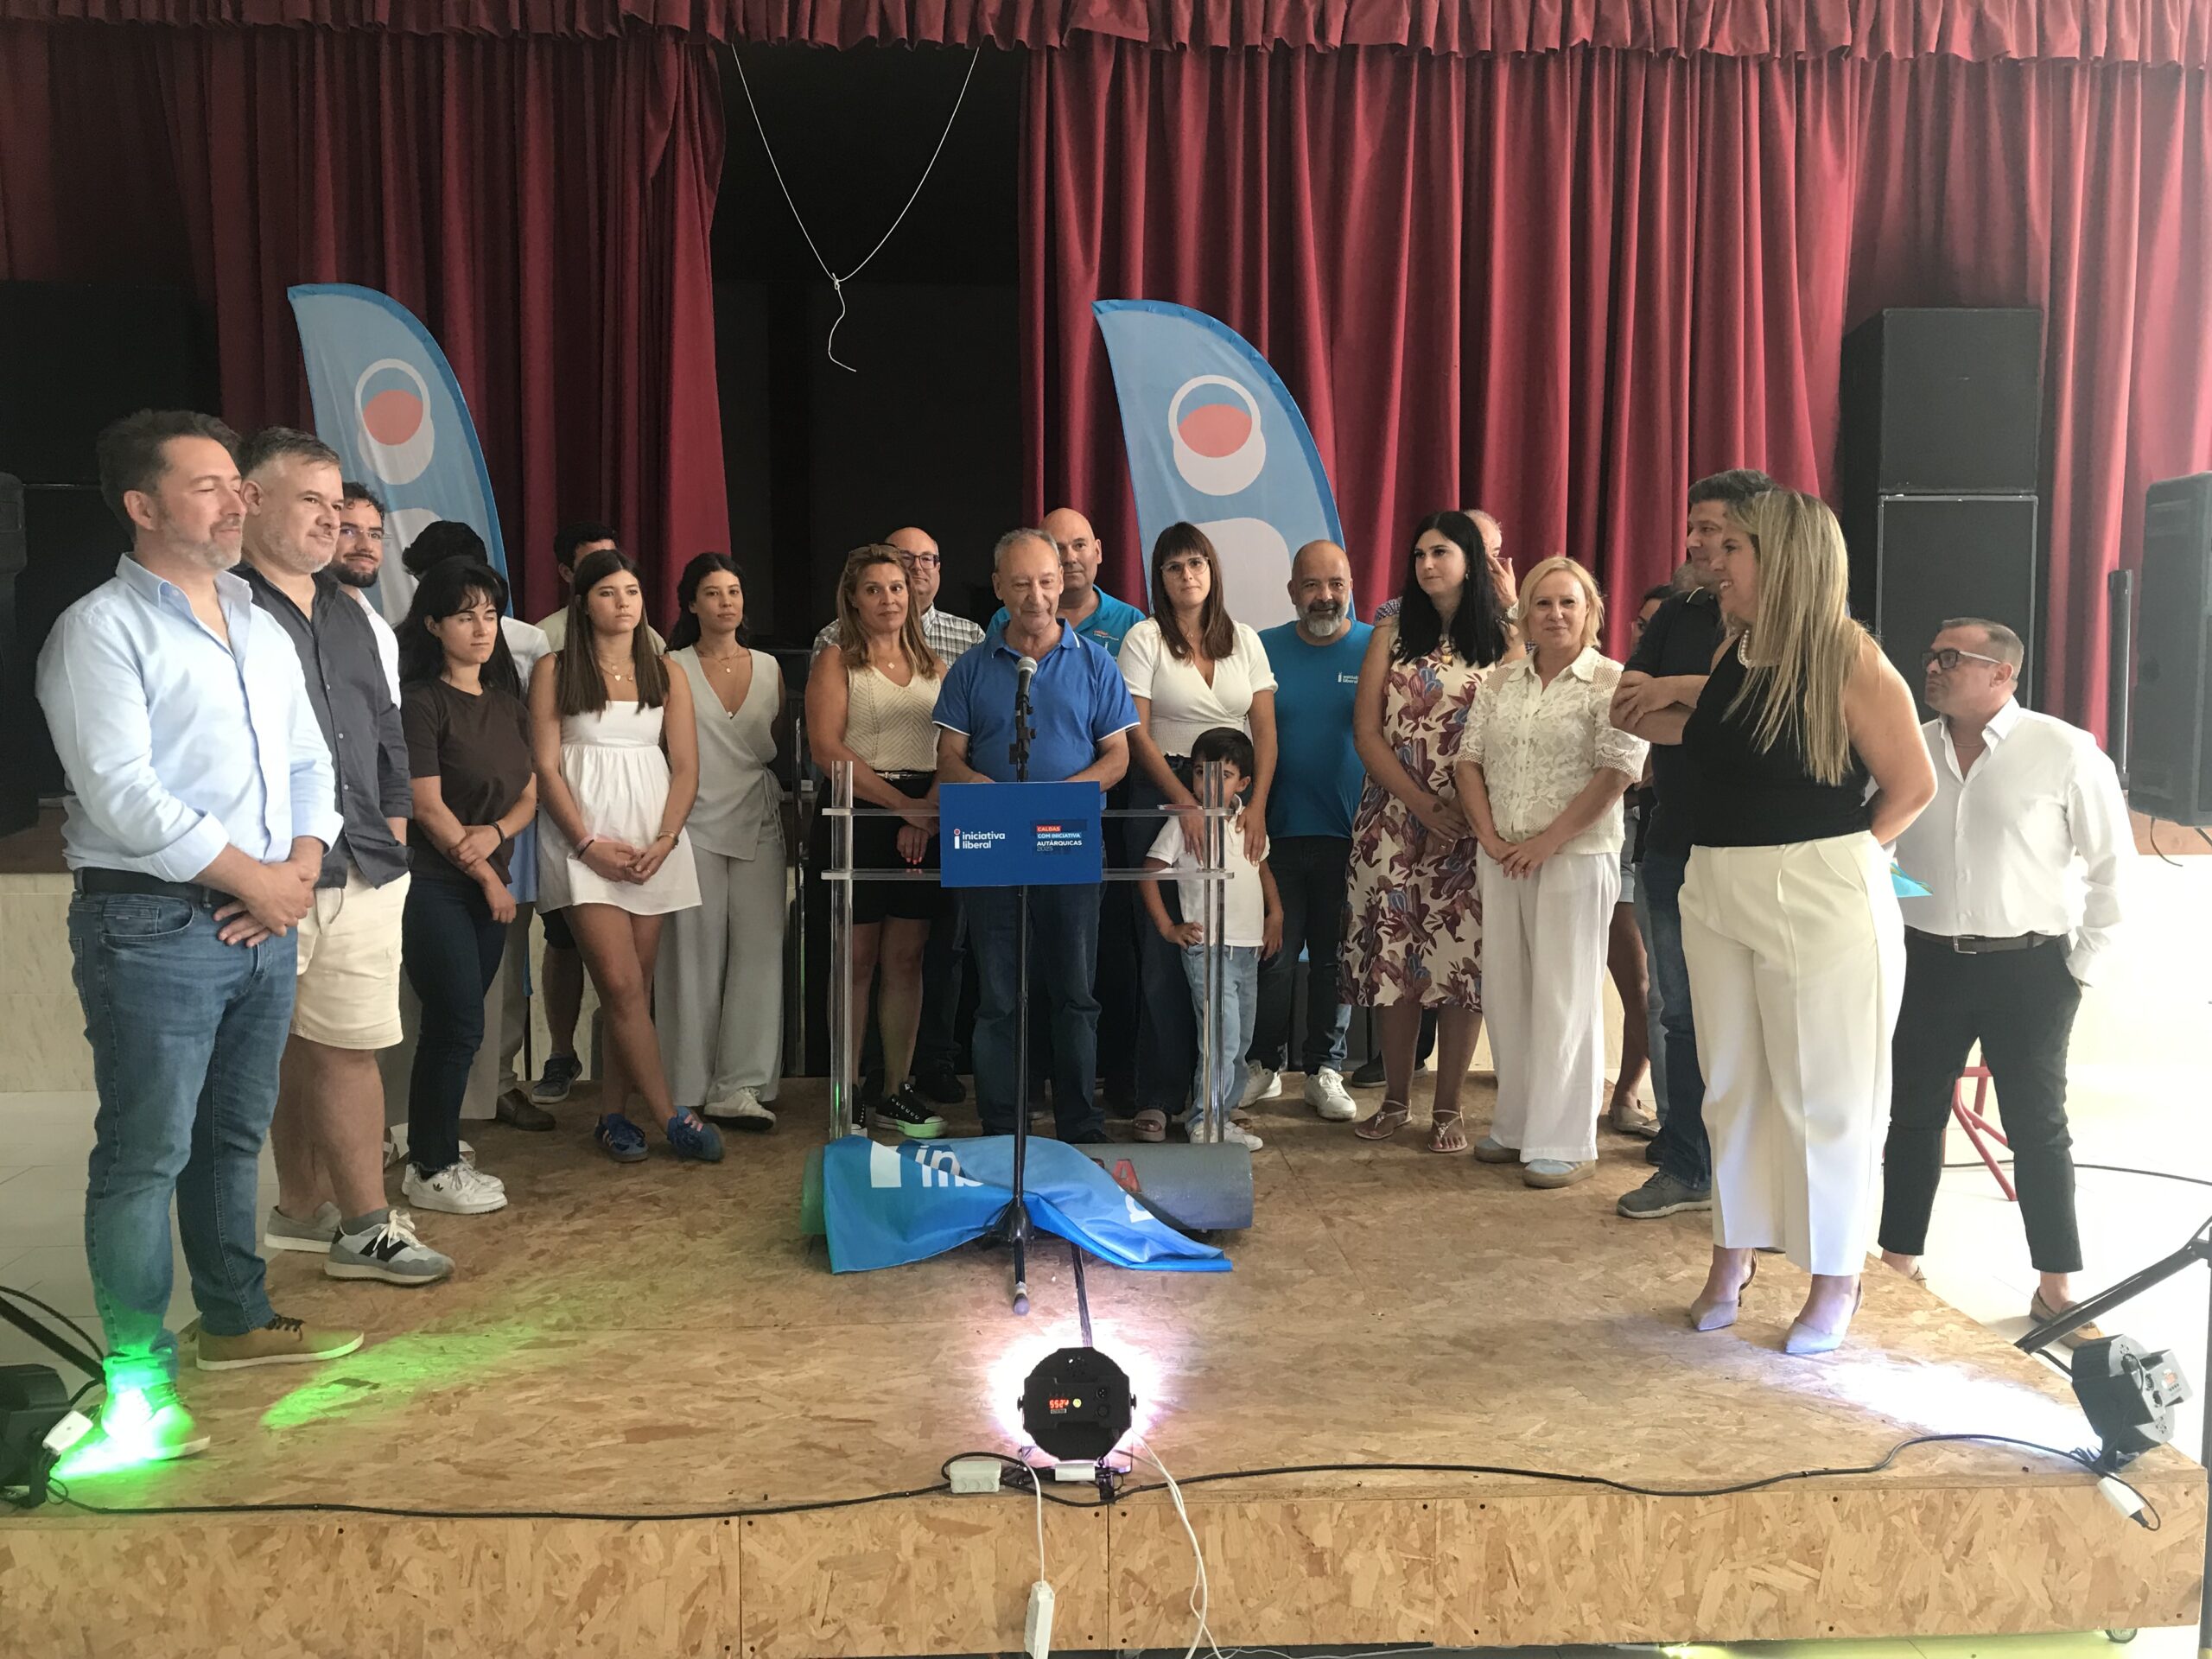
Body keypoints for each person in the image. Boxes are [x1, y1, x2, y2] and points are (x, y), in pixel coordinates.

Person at [37, 410, 363, 1459]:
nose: (239, 501)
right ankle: (138, 1379)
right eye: (211, 485)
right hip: (153, 921)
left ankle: (235, 1319)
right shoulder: (98, 631)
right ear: (144, 506)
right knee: (147, 1152)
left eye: (239, 482)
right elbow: (122, 793)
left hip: (263, 915)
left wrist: (297, 868)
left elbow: (310, 762)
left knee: (230, 1138)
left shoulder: (258, 624)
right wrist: (254, 880)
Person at [1665, 488, 1934, 1355]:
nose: (1716, 563)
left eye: (1734, 549)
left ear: (1782, 561)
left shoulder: (1850, 656)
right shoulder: (1735, 648)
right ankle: (1733, 1250)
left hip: (1815, 886)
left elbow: (1912, 785)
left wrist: (1835, 860)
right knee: (1731, 1085)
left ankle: (1835, 1275)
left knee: (1826, 1092)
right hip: (1716, 882)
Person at [235, 428, 449, 1289]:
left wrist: (393, 828)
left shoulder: (353, 610)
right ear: (251, 500)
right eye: (311, 502)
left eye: (337, 504)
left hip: (365, 862)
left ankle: (364, 1227)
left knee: (347, 1045)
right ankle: (291, 1213)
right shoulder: (220, 606)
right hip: (265, 874)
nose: (331, 521)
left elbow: (385, 729)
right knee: (266, 1054)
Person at [1877, 619, 2131, 1344]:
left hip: (2030, 968)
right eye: (1931, 655)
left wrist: (2077, 971)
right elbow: (1874, 847)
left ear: (2002, 674)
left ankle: (2056, 1287)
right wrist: (1906, 905)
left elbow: (2111, 868)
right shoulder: (1907, 746)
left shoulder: (2064, 751)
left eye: (1951, 657)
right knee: (1912, 1118)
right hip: (1927, 963)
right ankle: (1898, 1266)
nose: (1932, 667)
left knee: (2038, 1130)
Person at [1609, 468, 1778, 1221]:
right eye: (1693, 529)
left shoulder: (1796, 616)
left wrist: (1676, 689)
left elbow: (1775, 715)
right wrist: (1710, 711)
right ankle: (1686, 1165)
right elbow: (1626, 711)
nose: (1696, 543)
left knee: (1762, 1018)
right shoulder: (1678, 611)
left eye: (1713, 530)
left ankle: (1763, 1180)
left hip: (1764, 850)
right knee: (1679, 1012)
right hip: (1673, 845)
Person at [935, 527, 1138, 1144]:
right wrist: (984, 790)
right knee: (999, 997)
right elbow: (948, 758)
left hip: (1068, 840)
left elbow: (1118, 756)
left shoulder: (1096, 663)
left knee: (1076, 993)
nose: (1036, 596)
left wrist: (1064, 797)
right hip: (991, 844)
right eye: (1021, 583)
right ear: (998, 587)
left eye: (1047, 582)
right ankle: (1002, 1123)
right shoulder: (971, 669)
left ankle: (1080, 1122)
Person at [1456, 557, 1649, 1187]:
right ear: (1524, 613)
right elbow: (1468, 762)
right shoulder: (1500, 682)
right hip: (1502, 857)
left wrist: (1547, 842)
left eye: (1569, 602)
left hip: (1575, 858)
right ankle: (1516, 1126)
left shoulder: (1611, 680)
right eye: (1543, 603)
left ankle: (1564, 1139)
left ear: (1590, 612)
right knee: (1508, 993)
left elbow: (1618, 772)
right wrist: (1490, 837)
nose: (1556, 614)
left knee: (1565, 997)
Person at [531, 547, 721, 1163]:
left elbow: (686, 767)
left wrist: (665, 841)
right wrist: (586, 845)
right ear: (583, 602)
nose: (623, 603)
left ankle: (614, 1117)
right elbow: (545, 767)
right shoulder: (556, 668)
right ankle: (670, 1116)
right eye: (608, 592)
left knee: (633, 990)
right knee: (617, 983)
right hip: (582, 842)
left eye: (632, 591)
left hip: (651, 843)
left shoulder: (667, 672)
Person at [1341, 512, 1512, 1150]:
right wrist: (1420, 804)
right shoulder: (1390, 633)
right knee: (1398, 964)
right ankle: (1394, 1100)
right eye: (1418, 555)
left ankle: (1449, 1107)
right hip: (1394, 820)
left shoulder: (1505, 638)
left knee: (1463, 965)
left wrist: (1461, 812)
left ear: (1471, 561)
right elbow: (1367, 733)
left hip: (1474, 822)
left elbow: (1518, 731)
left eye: (1440, 552)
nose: (1426, 564)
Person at [808, 526, 983, 1107]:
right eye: (874, 589)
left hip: (925, 817)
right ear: (853, 599)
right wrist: (902, 806)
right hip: (857, 813)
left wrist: (923, 809)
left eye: (897, 588)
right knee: (856, 961)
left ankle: (895, 1087)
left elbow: (956, 748)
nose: (888, 599)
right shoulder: (837, 659)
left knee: (907, 959)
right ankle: (847, 1090)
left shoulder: (937, 665)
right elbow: (827, 750)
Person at [1117, 523, 1278, 1143]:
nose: (1187, 576)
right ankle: (1159, 1097)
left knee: (1226, 952)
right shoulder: (1145, 638)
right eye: (1174, 566)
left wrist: (1256, 803)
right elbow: (1136, 733)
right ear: (1159, 578)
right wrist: (1183, 801)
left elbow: (1264, 731)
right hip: (1163, 789)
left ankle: (1213, 1104)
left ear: (1213, 571)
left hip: (1235, 794)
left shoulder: (1245, 640)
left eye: (1197, 564)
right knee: (1167, 956)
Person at [394, 518, 556, 1131]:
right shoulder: (420, 702)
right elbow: (426, 805)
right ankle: (432, 1155)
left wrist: (498, 834)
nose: (482, 628)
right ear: (434, 625)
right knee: (456, 1020)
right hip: (434, 881)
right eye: (466, 617)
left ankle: (436, 1146)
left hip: (492, 878)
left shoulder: (507, 705)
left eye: (489, 615)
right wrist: (489, 877)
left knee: (462, 1024)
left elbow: (529, 793)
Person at [657, 555, 786, 1130]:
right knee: (691, 954)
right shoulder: (670, 666)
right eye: (712, 593)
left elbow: (776, 745)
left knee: (760, 952)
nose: (726, 602)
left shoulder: (770, 666)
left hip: (758, 816)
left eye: (734, 591)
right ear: (691, 603)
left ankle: (743, 1085)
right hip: (691, 820)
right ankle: (685, 1086)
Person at [1246, 540, 1370, 1122]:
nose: (1325, 596)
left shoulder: (1374, 647)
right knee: (1272, 957)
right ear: (1293, 591)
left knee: (1334, 959)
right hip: (1275, 834)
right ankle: (1263, 1065)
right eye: (1312, 585)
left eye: (1335, 584)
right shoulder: (1261, 648)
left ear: (1351, 587)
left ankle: (1325, 1069)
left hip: (1352, 835)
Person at [1141, 726, 1280, 1151]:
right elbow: (1149, 873)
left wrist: (1275, 913)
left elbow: (1262, 866)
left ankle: (1222, 1115)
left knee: (1239, 1043)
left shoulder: (1247, 821)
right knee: (1220, 1039)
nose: (1210, 784)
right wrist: (1168, 927)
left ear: (1244, 783)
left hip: (1247, 950)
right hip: (1208, 949)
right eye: (1201, 773)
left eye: (1224, 775)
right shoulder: (1184, 822)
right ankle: (1205, 1122)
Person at [1608, 583, 1675, 1140]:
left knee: (1646, 987)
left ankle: (1629, 1091)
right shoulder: (1611, 677)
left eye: (1659, 625)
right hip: (1597, 841)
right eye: (1642, 623)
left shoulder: (1684, 684)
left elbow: (1646, 770)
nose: (1646, 633)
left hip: (1646, 850)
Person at [988, 505, 1147, 655]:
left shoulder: (1130, 622)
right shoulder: (1007, 619)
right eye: (1058, 548)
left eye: (1079, 545)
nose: (1070, 558)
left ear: (1097, 551)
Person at [534, 521, 664, 652]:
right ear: (566, 573)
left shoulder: (650, 639)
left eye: (613, 558)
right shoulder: (545, 637)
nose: (609, 569)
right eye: (593, 563)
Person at [334, 481, 399, 702]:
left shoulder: (379, 630)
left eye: (375, 535)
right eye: (348, 531)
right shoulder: (290, 617)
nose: (366, 546)